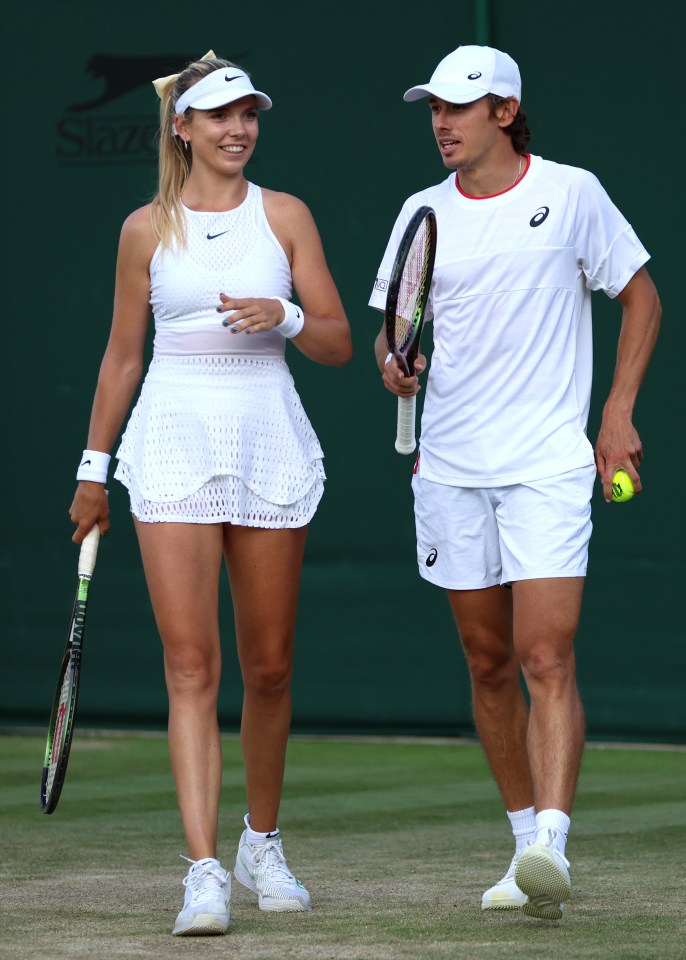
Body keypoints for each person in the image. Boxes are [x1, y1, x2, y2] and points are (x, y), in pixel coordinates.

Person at [369, 45, 660, 920]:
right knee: (488, 662)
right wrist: (394, 366)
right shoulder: (420, 211)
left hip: (546, 465)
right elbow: (395, 334)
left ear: (505, 111)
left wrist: (616, 413)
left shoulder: (571, 194)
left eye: (460, 107)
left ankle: (551, 845)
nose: (442, 123)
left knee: (545, 653)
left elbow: (640, 297)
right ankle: (524, 842)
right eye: (434, 109)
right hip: (450, 469)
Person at [69, 51, 351, 936]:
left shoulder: (289, 217)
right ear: (182, 128)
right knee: (192, 666)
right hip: (173, 443)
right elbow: (123, 356)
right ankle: (201, 872)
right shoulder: (144, 230)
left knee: (268, 668)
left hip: (267, 436)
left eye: (250, 115)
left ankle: (259, 844)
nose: (239, 129)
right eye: (221, 116)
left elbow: (342, 342)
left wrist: (289, 317)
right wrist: (91, 468)